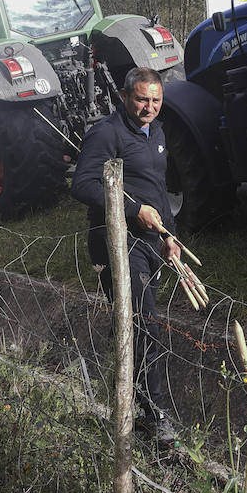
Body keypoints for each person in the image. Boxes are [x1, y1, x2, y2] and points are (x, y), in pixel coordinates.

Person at [71, 67, 183, 444]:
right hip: (116, 242)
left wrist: (170, 236)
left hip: (151, 242)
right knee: (144, 325)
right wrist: (134, 210)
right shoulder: (106, 133)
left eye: (155, 100)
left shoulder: (157, 132)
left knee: (141, 323)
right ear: (124, 96)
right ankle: (153, 415)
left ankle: (137, 404)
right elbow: (83, 184)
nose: (148, 107)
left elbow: (157, 188)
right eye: (141, 99)